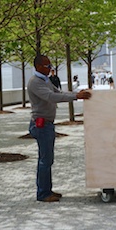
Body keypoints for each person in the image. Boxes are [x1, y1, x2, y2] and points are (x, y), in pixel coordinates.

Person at [27, 55, 91, 202]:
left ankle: (47, 190)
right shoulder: (35, 82)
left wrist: (77, 94)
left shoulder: (45, 80)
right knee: (45, 160)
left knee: (48, 159)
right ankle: (43, 194)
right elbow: (51, 97)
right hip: (41, 124)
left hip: (47, 124)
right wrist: (76, 97)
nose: (50, 69)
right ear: (38, 66)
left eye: (50, 66)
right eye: (47, 66)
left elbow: (58, 92)